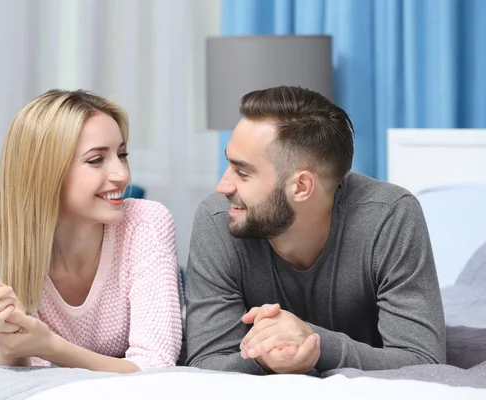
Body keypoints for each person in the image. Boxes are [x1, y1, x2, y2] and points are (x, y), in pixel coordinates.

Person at [183, 86, 445, 375]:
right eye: (228, 164)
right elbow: (206, 363)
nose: (223, 186)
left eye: (242, 172)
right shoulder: (218, 218)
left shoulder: (389, 216)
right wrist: (262, 359)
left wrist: (312, 341)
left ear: (301, 186)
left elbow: (423, 361)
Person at [0, 89, 183, 372]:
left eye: (122, 154)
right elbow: (4, 364)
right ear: (45, 170)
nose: (123, 174)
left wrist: (49, 347)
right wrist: (8, 342)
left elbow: (156, 363)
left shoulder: (147, 223)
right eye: (96, 160)